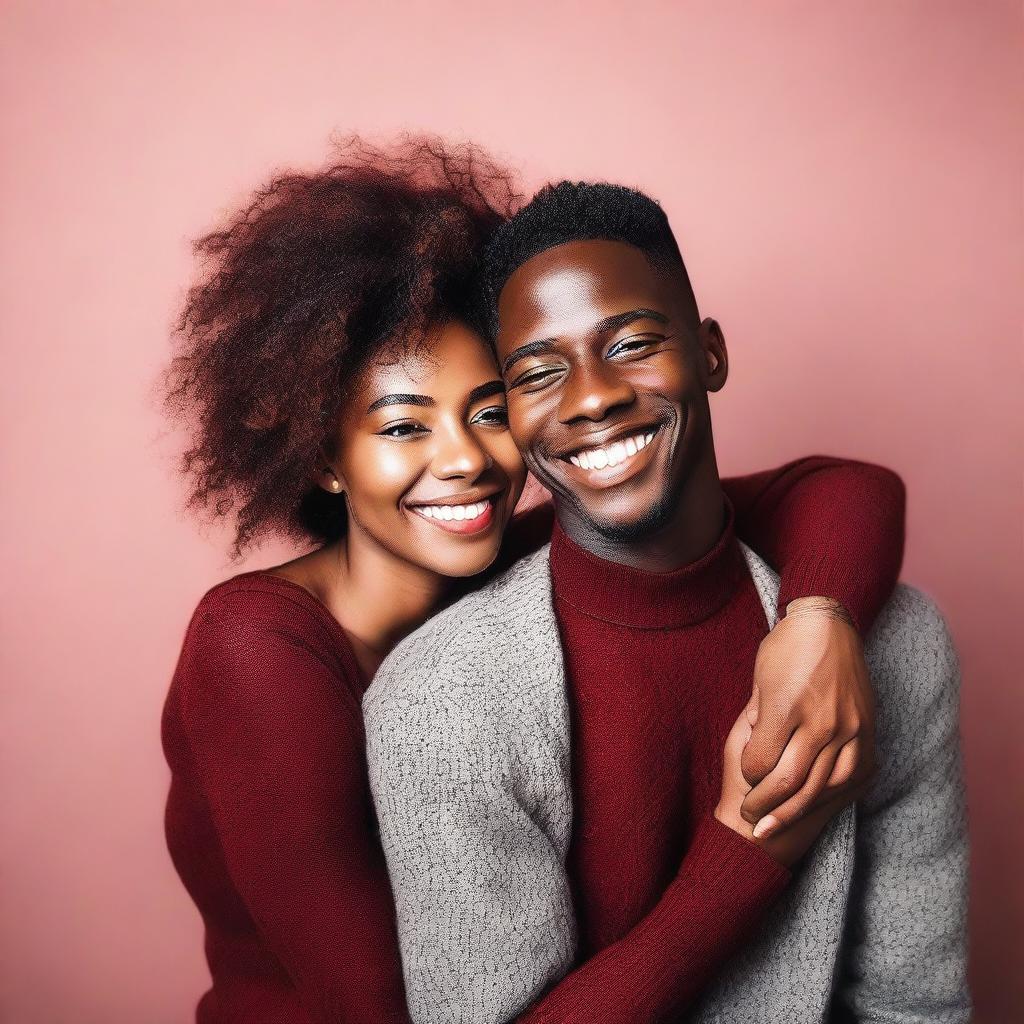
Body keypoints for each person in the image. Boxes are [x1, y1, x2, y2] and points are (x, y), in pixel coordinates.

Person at [161, 139, 906, 1024]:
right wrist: (749, 849)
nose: (466, 462)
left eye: (488, 411)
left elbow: (842, 488)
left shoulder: (514, 554)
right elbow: (375, 1011)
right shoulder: (260, 651)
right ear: (325, 457)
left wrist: (817, 620)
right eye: (403, 427)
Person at [364, 181, 970, 1023]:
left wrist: (821, 615)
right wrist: (748, 854)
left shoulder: (895, 647)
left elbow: (915, 1008)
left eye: (632, 343)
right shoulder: (440, 701)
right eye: (539, 374)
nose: (591, 397)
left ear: (710, 353)